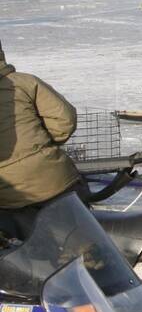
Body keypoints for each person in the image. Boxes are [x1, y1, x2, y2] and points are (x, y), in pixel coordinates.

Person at [0, 38, 84, 237]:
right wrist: (40, 148)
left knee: (27, 261)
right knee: (83, 248)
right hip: (56, 180)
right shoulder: (24, 83)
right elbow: (64, 121)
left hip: (9, 197)